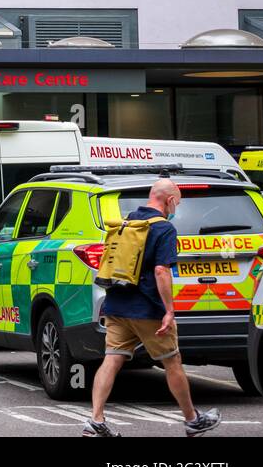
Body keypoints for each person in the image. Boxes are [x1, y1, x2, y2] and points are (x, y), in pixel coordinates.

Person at [86, 179, 221, 438]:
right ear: (169, 200)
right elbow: (161, 271)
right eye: (177, 203)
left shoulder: (127, 222)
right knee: (172, 362)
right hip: (148, 310)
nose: (175, 209)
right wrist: (168, 310)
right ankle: (192, 420)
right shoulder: (164, 229)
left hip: (116, 304)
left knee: (111, 360)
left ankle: (96, 420)